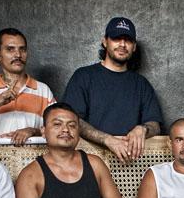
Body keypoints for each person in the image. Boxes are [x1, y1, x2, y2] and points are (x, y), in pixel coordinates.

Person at [62, 17, 164, 163]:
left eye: (127, 40)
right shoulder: (83, 76)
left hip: (130, 164)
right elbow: (72, 119)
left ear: (134, 46)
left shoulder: (142, 84)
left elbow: (155, 125)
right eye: (117, 38)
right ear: (105, 41)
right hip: (88, 161)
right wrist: (107, 140)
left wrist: (142, 129)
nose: (122, 44)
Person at [0, 28, 56, 145]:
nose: (18, 55)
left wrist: (32, 131)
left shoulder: (43, 90)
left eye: (22, 49)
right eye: (10, 49)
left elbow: (56, 131)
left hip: (34, 160)